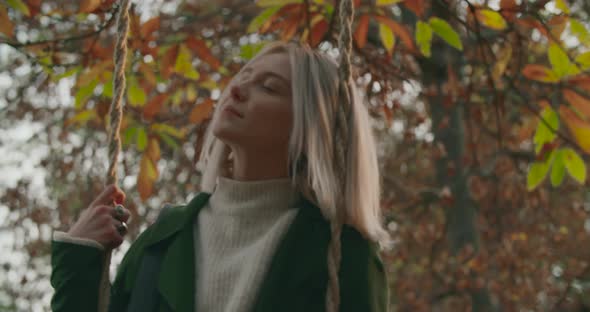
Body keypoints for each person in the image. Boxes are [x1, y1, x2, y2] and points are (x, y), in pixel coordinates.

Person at [50, 41, 392, 312]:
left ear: (313, 128)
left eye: (269, 87)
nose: (237, 90)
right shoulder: (164, 239)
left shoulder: (341, 252)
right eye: (241, 78)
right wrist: (79, 258)